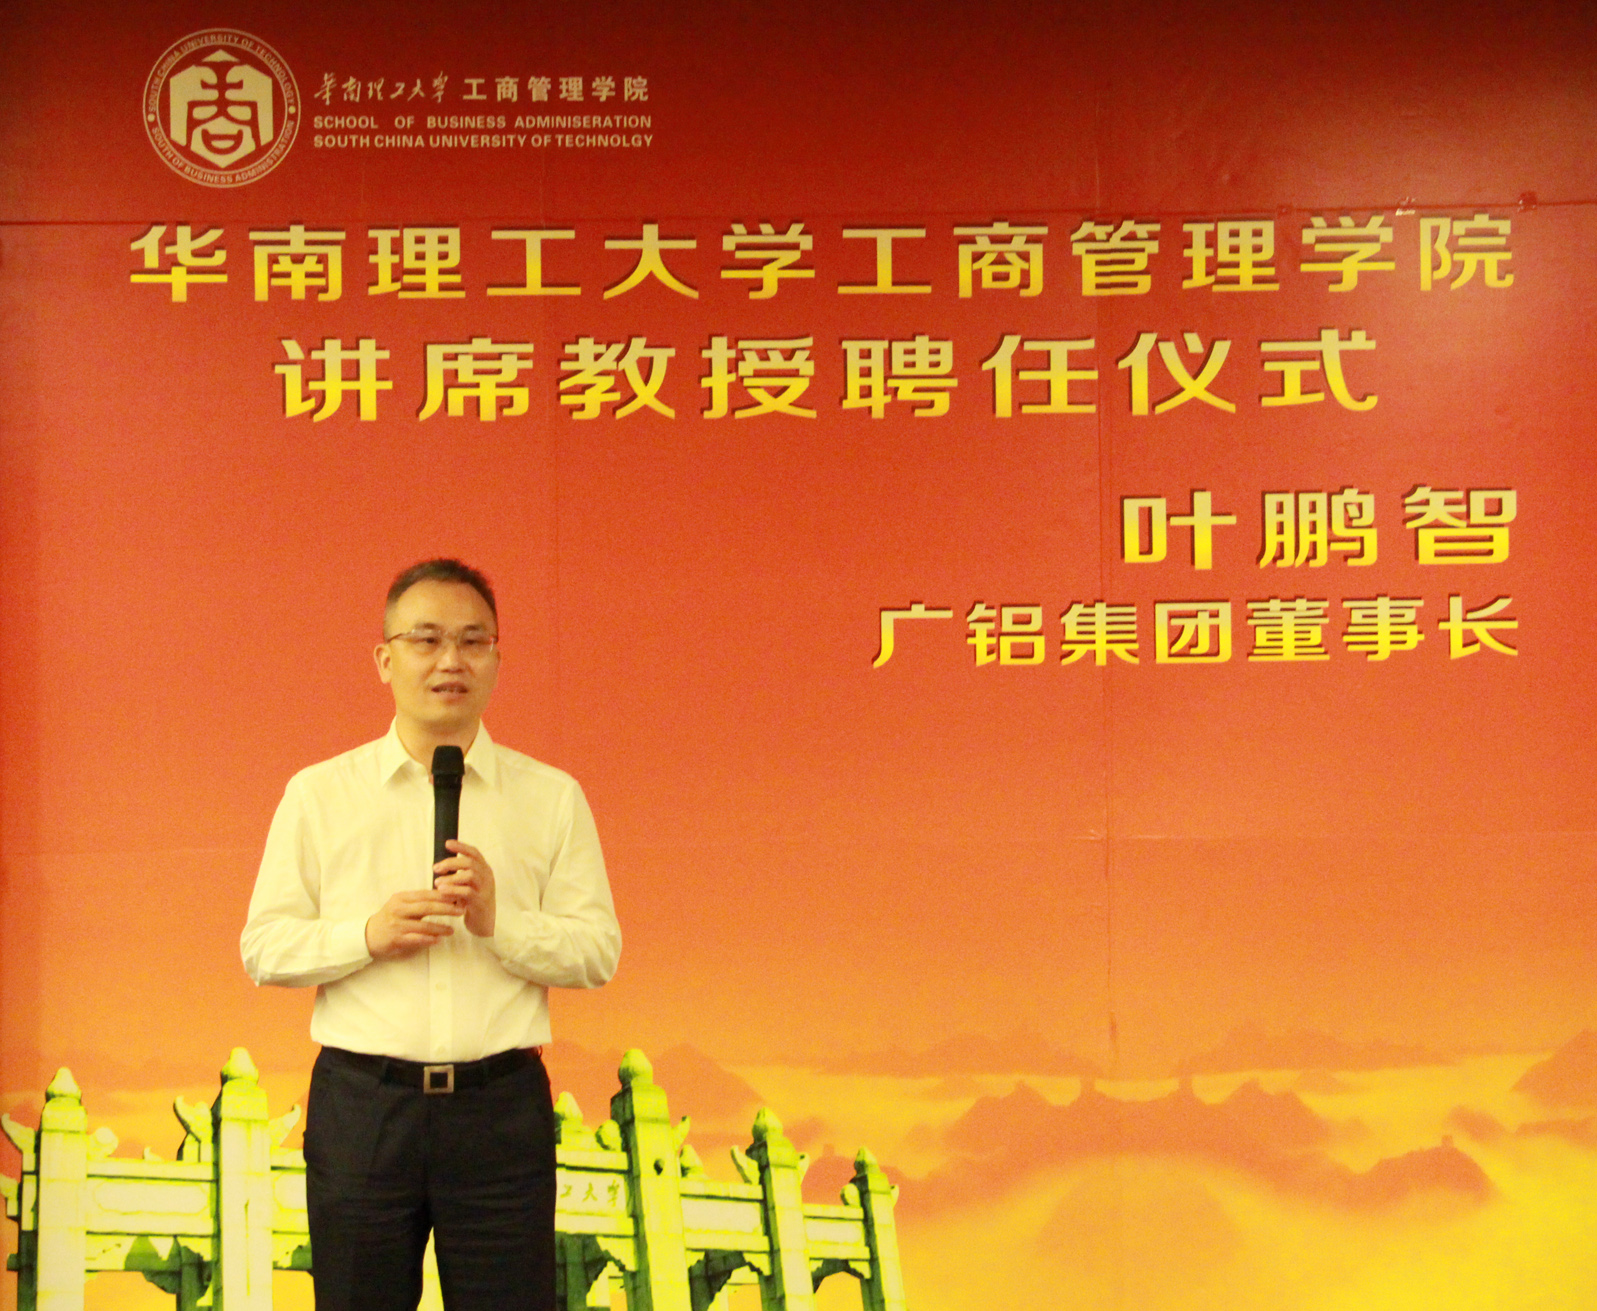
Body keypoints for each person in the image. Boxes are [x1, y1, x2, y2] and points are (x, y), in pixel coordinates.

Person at [241, 558, 621, 1311]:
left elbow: (596, 952)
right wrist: (367, 934)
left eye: (473, 641)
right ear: (385, 660)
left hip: (498, 1111)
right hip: (365, 1109)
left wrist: (500, 923)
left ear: (497, 660)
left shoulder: (551, 797)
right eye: (426, 640)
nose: (451, 661)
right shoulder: (319, 794)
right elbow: (264, 946)